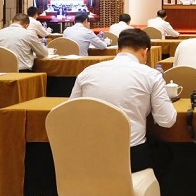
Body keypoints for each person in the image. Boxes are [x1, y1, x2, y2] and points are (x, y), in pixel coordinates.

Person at [70, 28, 177, 178]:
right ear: (145, 52)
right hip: (130, 156)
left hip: (89, 154)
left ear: (117, 50)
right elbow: (167, 121)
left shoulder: (87, 72)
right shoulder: (151, 75)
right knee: (166, 153)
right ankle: (143, 189)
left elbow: (71, 112)